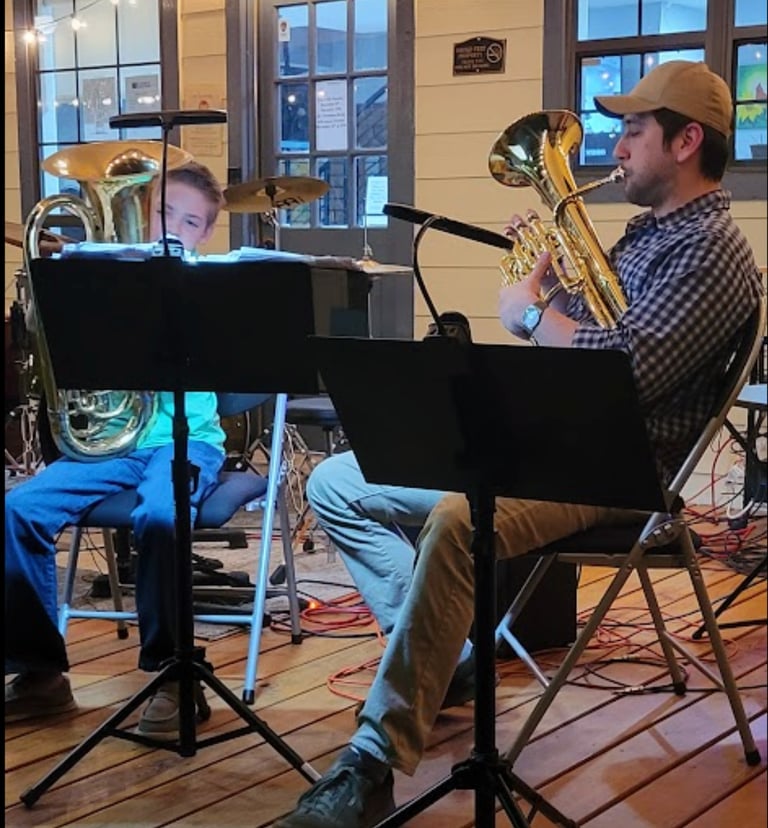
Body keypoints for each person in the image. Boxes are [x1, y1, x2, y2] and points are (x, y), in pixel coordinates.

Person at [276, 59, 764, 828]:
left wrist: (531, 314)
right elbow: (597, 338)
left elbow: (626, 373)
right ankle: (451, 663)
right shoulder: (649, 236)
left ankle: (372, 762)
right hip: (559, 442)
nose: (617, 148)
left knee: (458, 518)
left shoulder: (710, 251)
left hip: (617, 468)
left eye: (635, 130)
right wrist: (548, 284)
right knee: (335, 481)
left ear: (686, 141)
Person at [5, 160, 226, 740]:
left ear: (206, 233)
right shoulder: (105, 280)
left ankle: (172, 674)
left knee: (161, 516)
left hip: (185, 442)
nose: (172, 228)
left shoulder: (209, 289)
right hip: (114, 445)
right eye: (163, 213)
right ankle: (40, 673)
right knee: (18, 508)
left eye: (191, 222)